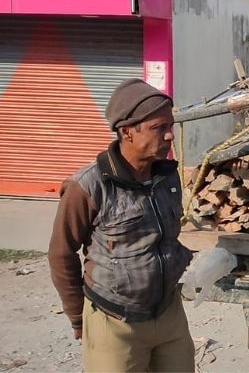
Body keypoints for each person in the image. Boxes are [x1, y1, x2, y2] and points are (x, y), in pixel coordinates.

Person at [48, 78, 194, 372]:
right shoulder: (88, 186)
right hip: (114, 321)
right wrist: (78, 316)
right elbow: (61, 253)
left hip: (169, 314)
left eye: (170, 125)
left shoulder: (167, 176)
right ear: (127, 132)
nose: (169, 136)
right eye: (158, 128)